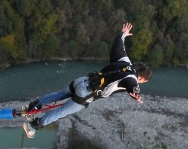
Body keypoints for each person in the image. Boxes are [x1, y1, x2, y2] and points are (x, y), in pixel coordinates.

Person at [23, 23, 152, 138]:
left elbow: (119, 45)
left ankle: (31, 107)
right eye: (142, 82)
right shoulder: (132, 79)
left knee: (59, 95)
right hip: (86, 94)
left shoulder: (125, 61)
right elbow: (132, 84)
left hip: (83, 80)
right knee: (60, 112)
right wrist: (135, 94)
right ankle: (32, 126)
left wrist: (123, 34)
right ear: (141, 78)